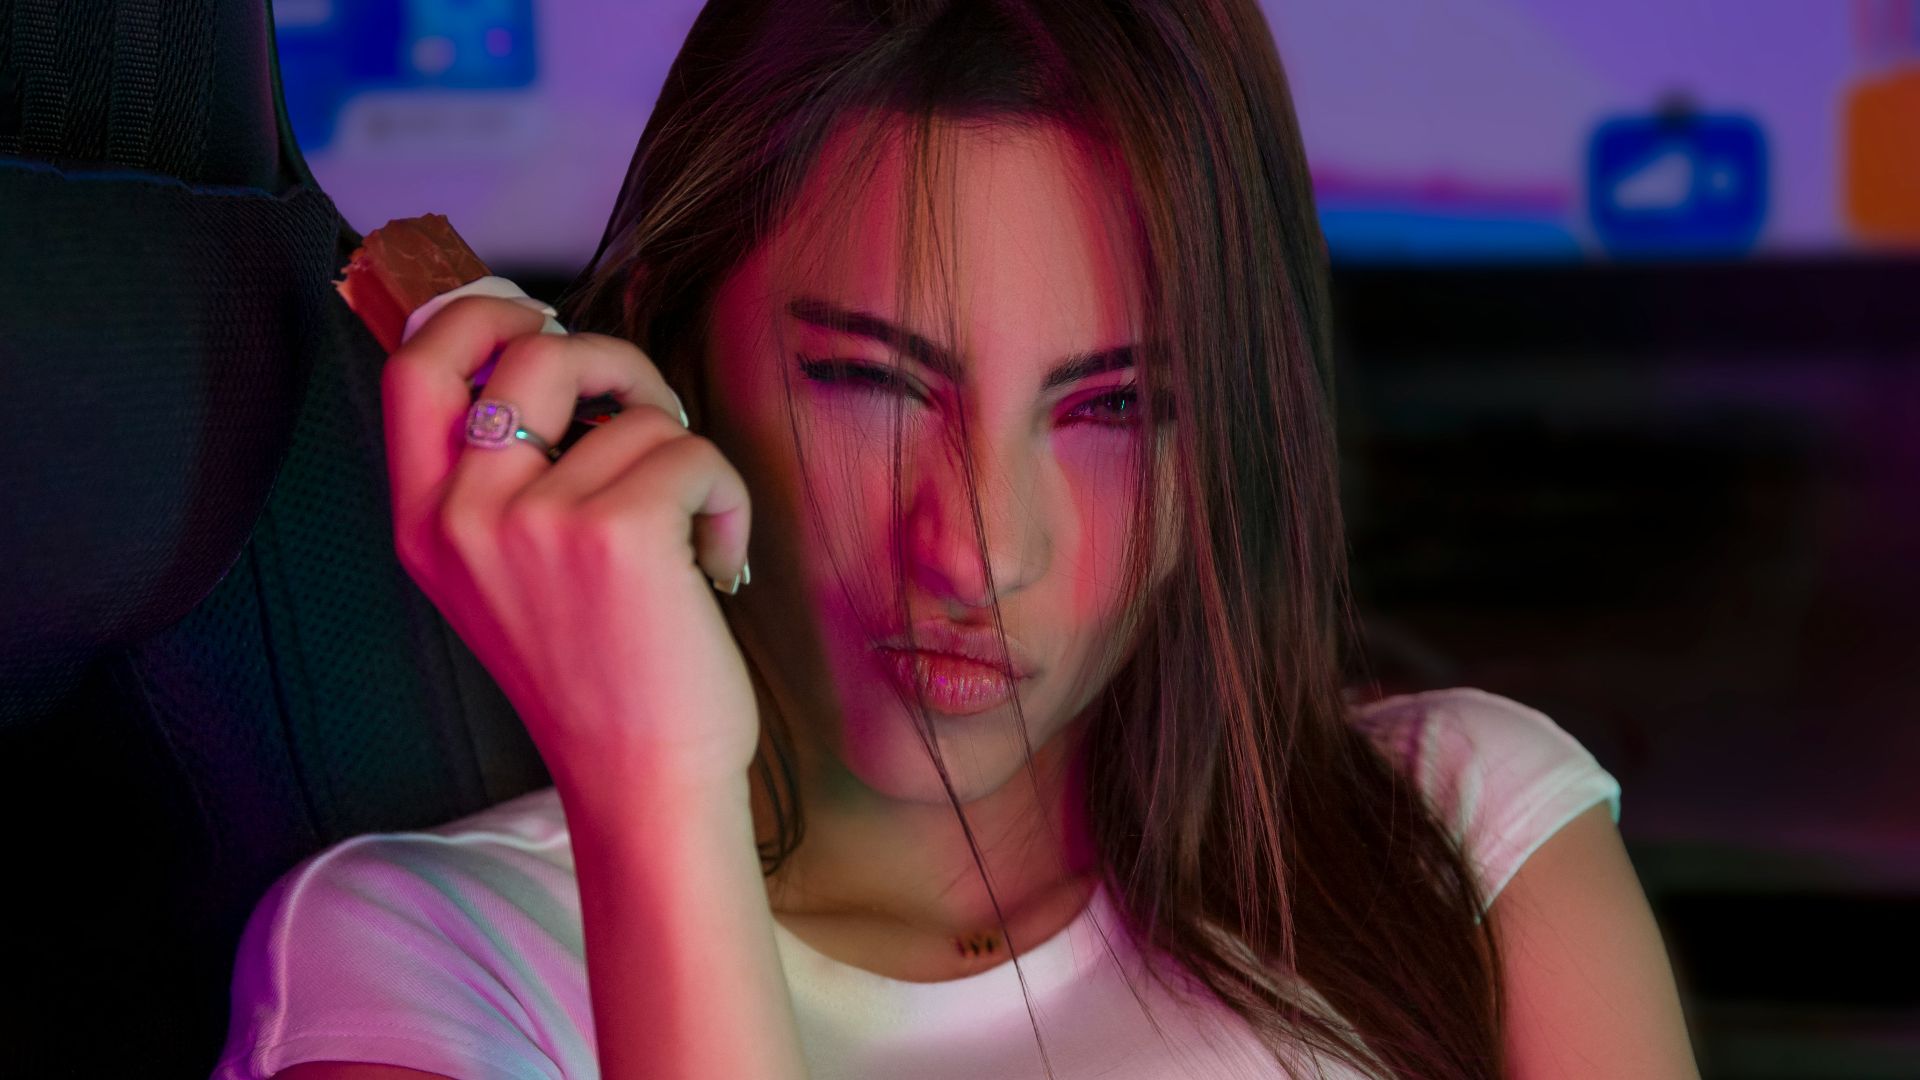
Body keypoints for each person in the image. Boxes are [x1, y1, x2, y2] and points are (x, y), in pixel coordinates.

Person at [212, 1, 1700, 1078]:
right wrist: (658, 790)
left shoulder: (1473, 842)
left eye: (1117, 406)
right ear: (676, 347)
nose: (977, 550)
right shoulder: (415, 966)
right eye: (870, 381)